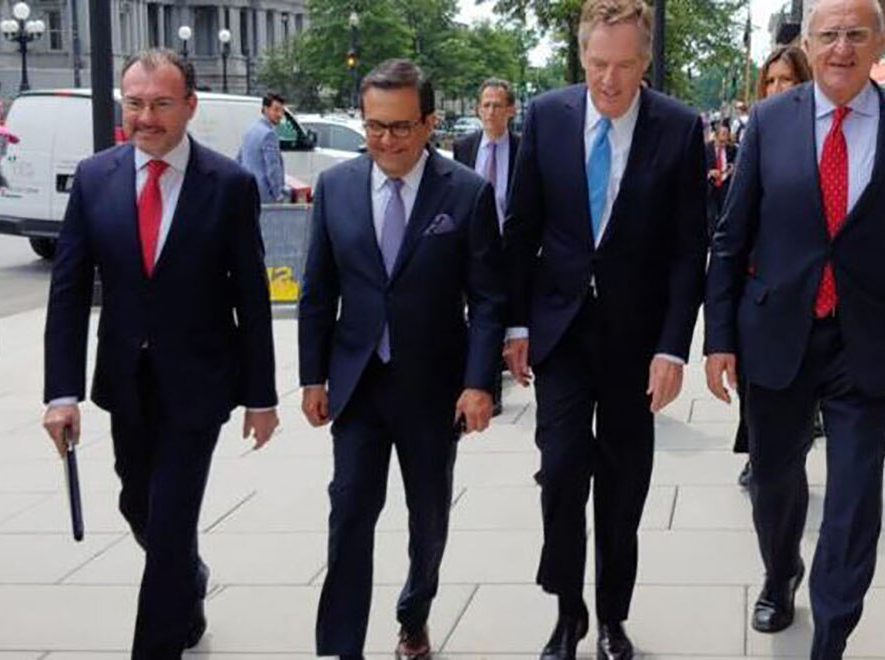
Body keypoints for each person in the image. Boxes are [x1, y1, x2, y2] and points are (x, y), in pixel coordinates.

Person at [703, 0, 885, 655]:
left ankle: (831, 636)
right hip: (777, 332)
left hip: (865, 340)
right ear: (808, 45)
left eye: (856, 35)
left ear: (878, 45)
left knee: (853, 498)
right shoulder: (770, 121)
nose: (842, 48)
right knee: (773, 479)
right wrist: (718, 338)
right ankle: (779, 571)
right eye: (829, 35)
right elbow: (731, 235)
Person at [42, 49, 279, 659]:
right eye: (135, 104)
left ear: (190, 106)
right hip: (126, 380)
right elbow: (68, 291)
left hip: (200, 383)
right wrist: (61, 394)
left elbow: (251, 298)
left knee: (171, 520)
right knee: (138, 503)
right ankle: (189, 582)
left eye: (161, 104)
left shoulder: (229, 185)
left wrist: (261, 396)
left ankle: (156, 644)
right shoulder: (94, 178)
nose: (145, 118)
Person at [503, 0, 708, 656]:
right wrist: (514, 323)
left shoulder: (680, 129)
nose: (608, 80)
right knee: (562, 470)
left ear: (645, 62)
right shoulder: (547, 116)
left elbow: (688, 250)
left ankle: (613, 616)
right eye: (597, 64)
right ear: (581, 56)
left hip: (635, 341)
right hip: (561, 330)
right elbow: (521, 228)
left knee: (623, 485)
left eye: (623, 66)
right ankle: (568, 611)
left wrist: (672, 348)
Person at [298, 59, 505, 660]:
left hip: (433, 388)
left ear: (429, 124)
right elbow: (317, 291)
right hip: (358, 384)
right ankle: (339, 647)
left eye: (400, 127)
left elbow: (488, 300)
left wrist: (479, 383)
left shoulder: (464, 193)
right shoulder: (336, 188)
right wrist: (312, 377)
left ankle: (414, 614)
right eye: (374, 126)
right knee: (348, 515)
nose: (386, 140)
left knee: (428, 518)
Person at [734, 44, 815, 489]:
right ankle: (758, 453)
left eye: (787, 80)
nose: (778, 88)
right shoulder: (759, 130)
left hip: (807, 287)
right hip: (759, 284)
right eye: (771, 81)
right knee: (756, 385)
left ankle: (787, 454)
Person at [453, 77, 521, 417]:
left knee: (495, 315)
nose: (491, 112)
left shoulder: (523, 149)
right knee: (473, 316)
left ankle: (491, 389)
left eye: (497, 105)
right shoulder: (464, 147)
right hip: (470, 248)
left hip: (507, 248)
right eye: (486, 105)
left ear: (511, 110)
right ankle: (476, 382)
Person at [237, 92, 289, 203]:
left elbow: (239, 160)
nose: (280, 114)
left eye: (282, 111)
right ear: (265, 109)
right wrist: (278, 195)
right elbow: (273, 168)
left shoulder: (250, 130)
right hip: (265, 196)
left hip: (247, 192)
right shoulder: (269, 134)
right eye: (276, 110)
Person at [704, 120, 737, 237]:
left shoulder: (732, 149)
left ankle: (722, 237)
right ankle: (711, 239)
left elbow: (737, 164)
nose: (724, 142)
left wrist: (732, 168)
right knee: (711, 216)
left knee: (724, 214)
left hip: (725, 185)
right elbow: (697, 167)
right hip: (711, 186)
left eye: (726, 138)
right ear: (716, 136)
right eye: (722, 139)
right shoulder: (706, 149)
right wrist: (709, 172)